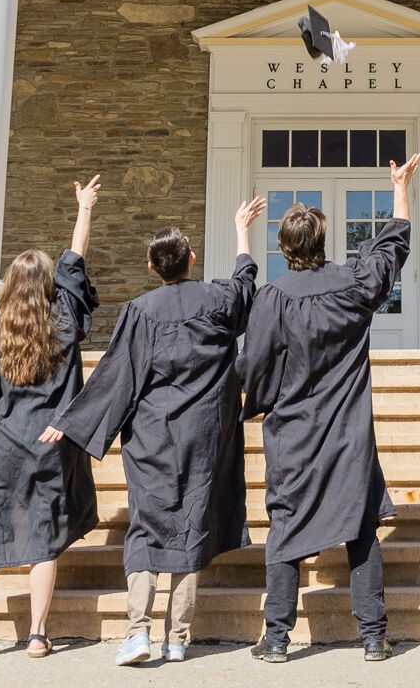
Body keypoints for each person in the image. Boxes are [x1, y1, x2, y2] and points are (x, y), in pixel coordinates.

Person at [40, 197, 268, 666]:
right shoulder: (218, 300)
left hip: (151, 437)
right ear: (191, 260)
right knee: (192, 526)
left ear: (150, 266)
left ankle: (137, 632)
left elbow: (117, 373)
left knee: (147, 527)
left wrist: (70, 421)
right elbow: (246, 283)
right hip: (204, 434)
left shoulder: (140, 311)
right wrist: (241, 230)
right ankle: (178, 638)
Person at [241, 152, 420, 664]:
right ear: (323, 242)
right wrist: (399, 189)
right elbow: (391, 250)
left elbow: (254, 364)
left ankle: (276, 639)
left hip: (294, 430)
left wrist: (258, 399)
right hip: (346, 430)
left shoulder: (272, 298)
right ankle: (373, 637)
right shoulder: (352, 285)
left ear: (283, 247)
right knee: (359, 525)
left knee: (287, 525)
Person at [0, 175, 103, 661]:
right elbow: (75, 266)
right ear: (50, 286)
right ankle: (37, 634)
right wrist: (84, 210)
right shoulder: (65, 322)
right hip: (48, 442)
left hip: (2, 443)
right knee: (43, 537)